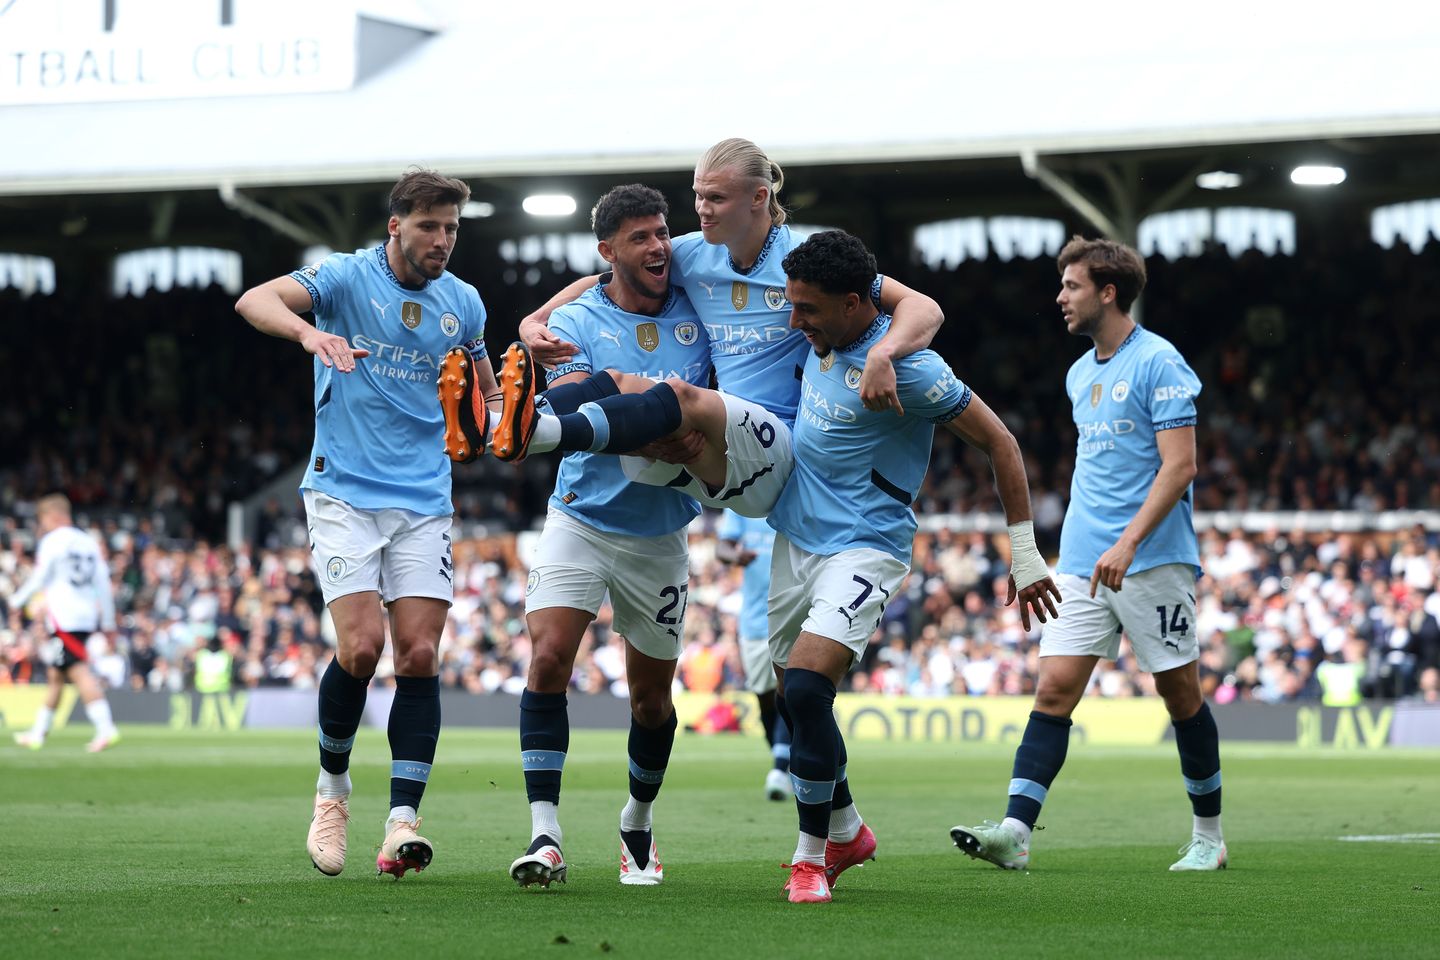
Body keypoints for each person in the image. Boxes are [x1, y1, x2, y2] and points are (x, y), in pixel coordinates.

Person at [764, 231, 1060, 904]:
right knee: (795, 702)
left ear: (851, 303)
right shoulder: (829, 330)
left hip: (866, 544)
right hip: (794, 540)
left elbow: (1001, 442)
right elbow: (917, 302)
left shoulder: (917, 372)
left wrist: (1024, 553)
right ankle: (848, 830)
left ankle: (811, 860)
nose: (795, 321)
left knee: (806, 691)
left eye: (807, 309)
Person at [235, 168, 496, 879]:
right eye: (429, 226)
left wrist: (502, 416)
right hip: (344, 492)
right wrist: (308, 335)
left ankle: (403, 821)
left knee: (419, 653)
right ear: (395, 226)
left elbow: (486, 393)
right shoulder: (345, 278)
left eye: (451, 228)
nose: (442, 240)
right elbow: (255, 299)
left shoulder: (464, 303)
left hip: (424, 497)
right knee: (360, 649)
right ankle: (332, 793)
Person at [950, 236, 1226, 873]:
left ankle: (1209, 837)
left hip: (1152, 559)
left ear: (1108, 292)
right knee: (1053, 690)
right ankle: (1015, 832)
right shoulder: (1079, 374)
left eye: (1071, 286)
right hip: (1080, 561)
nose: (1060, 297)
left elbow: (1180, 467)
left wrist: (1128, 542)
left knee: (1180, 694)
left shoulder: (1160, 361)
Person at [493, 138, 945, 523]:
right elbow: (608, 279)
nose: (702, 210)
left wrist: (884, 353)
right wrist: (534, 320)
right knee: (618, 386)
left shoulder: (806, 262)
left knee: (677, 395)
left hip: (780, 447)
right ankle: (503, 423)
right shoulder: (693, 254)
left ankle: (538, 434)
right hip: (718, 444)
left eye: (715, 198)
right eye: (698, 196)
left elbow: (924, 307)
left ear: (758, 197)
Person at [506, 184, 712, 890]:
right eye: (639, 238)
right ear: (607, 252)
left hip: (660, 534)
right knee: (548, 661)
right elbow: (587, 403)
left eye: (662, 233)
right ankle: (546, 835)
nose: (658, 247)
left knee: (651, 702)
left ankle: (637, 820)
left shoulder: (697, 305)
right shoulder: (575, 321)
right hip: (581, 519)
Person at [8, 494, 121, 753]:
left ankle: (106, 728)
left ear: (54, 516)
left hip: (64, 617)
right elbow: (103, 585)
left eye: (43, 519)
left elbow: (40, 578)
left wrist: (17, 600)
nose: (43, 525)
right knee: (56, 675)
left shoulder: (52, 542)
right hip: (85, 616)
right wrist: (107, 622)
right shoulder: (89, 542)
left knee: (78, 671)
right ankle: (38, 733)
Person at [715, 508, 792, 801]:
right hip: (755, 623)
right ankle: (787, 763)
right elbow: (721, 548)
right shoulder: (742, 504)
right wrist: (735, 556)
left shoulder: (795, 496)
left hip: (793, 614)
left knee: (789, 691)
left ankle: (780, 768)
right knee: (765, 698)